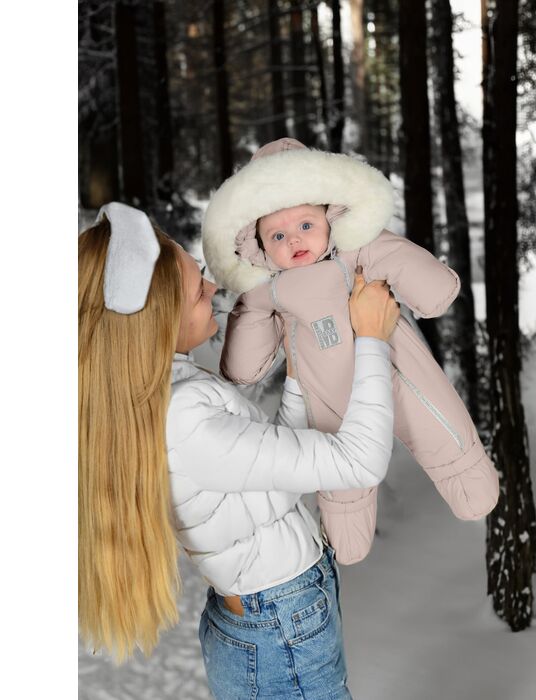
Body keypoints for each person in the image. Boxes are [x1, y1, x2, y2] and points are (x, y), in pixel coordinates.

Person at [78, 202, 400, 699]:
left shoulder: (167, 397)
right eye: (197, 290)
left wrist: (299, 368)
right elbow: (360, 461)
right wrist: (374, 338)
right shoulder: (186, 418)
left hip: (273, 616)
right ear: (160, 319)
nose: (213, 287)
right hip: (280, 627)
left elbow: (269, 473)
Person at [203, 138, 500, 565]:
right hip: (330, 399)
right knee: (340, 469)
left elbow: (428, 283)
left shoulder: (359, 251)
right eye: (278, 235)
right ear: (259, 246)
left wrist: (418, 276)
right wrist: (251, 303)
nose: (294, 240)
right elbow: (243, 367)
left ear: (330, 215)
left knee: (433, 417)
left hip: (397, 369)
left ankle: (466, 473)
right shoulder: (269, 290)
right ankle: (347, 526)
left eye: (306, 225)